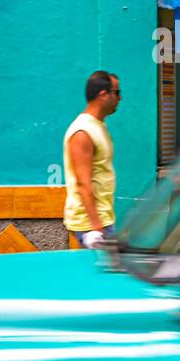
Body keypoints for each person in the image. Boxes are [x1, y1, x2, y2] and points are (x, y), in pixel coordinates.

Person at [63, 71, 120, 249]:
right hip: (92, 226)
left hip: (102, 219)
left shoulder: (97, 126)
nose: (120, 98)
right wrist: (97, 230)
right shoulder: (83, 132)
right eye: (117, 93)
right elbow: (82, 183)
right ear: (103, 95)